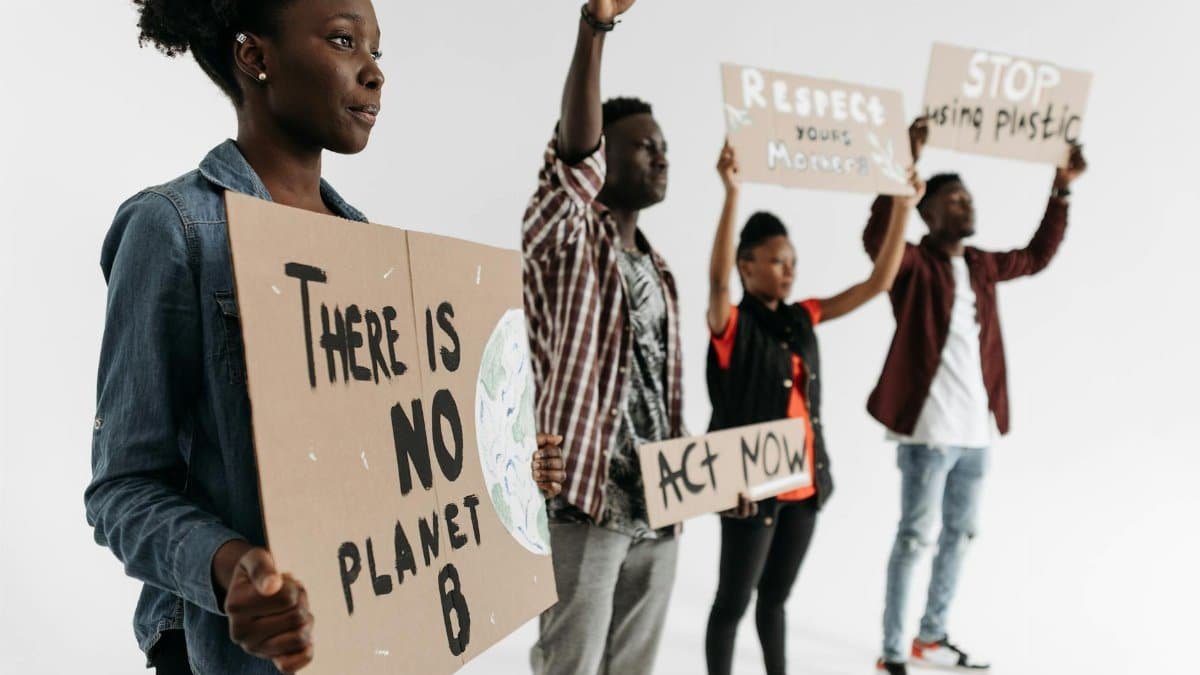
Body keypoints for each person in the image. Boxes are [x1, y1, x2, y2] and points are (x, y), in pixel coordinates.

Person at [86, 2, 565, 673]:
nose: (374, 74)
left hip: (357, 645)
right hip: (224, 654)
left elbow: (394, 462)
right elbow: (122, 489)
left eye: (376, 50)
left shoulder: (365, 247)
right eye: (345, 41)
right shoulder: (175, 229)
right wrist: (229, 568)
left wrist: (507, 465)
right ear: (254, 57)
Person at [870, 121, 1087, 675]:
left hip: (976, 435)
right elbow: (877, 241)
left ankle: (931, 635)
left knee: (960, 536)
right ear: (928, 213)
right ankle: (893, 650)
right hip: (927, 437)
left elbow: (1037, 255)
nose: (966, 205)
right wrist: (904, 167)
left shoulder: (982, 266)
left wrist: (1060, 189)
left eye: (968, 197)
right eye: (953, 199)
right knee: (914, 538)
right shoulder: (913, 264)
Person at [703, 141, 923, 675]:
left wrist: (903, 207)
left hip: (805, 488)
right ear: (747, 265)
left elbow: (877, 284)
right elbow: (716, 282)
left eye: (793, 262)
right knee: (732, 603)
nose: (788, 271)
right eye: (777, 261)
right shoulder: (732, 324)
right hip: (750, 487)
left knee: (775, 601)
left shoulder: (803, 316)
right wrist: (732, 193)